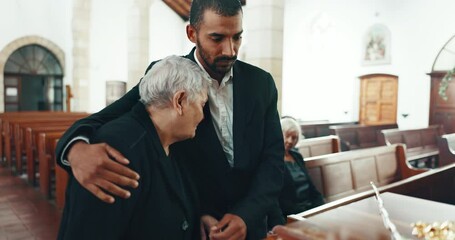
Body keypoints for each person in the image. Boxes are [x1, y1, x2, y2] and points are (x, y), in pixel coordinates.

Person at [55, 0, 284, 239]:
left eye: (237, 37)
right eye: (217, 38)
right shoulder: (167, 75)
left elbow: (273, 160)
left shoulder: (261, 83)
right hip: (197, 225)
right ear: (192, 33)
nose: (230, 50)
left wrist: (247, 215)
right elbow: (105, 118)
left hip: (252, 223)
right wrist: (74, 150)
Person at [57, 55, 210, 239]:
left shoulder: (170, 141)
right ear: (179, 101)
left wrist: (194, 219)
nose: (202, 116)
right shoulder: (117, 152)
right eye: (202, 105)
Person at [267, 117, 325, 229]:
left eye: (294, 138)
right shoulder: (272, 159)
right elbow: (277, 198)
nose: (290, 141)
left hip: (308, 210)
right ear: (279, 134)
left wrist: (321, 206)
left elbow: (311, 187)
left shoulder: (297, 156)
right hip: (290, 214)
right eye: (287, 136)